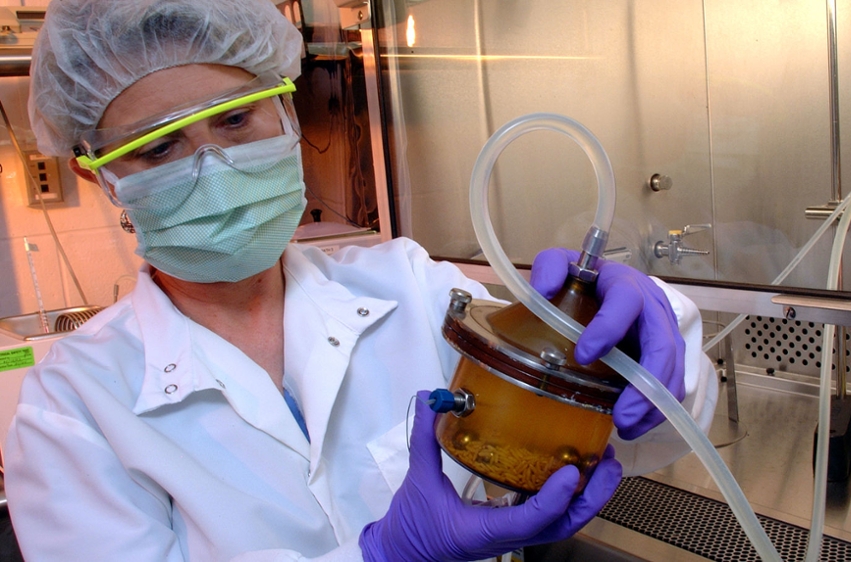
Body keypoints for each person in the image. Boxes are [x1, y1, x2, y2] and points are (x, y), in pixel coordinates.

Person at [3, 0, 718, 560]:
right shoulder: (73, 407)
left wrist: (644, 336)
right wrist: (380, 555)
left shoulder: (407, 288)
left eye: (235, 120)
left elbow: (643, 434)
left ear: (286, 108)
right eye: (159, 146)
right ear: (98, 176)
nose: (213, 167)